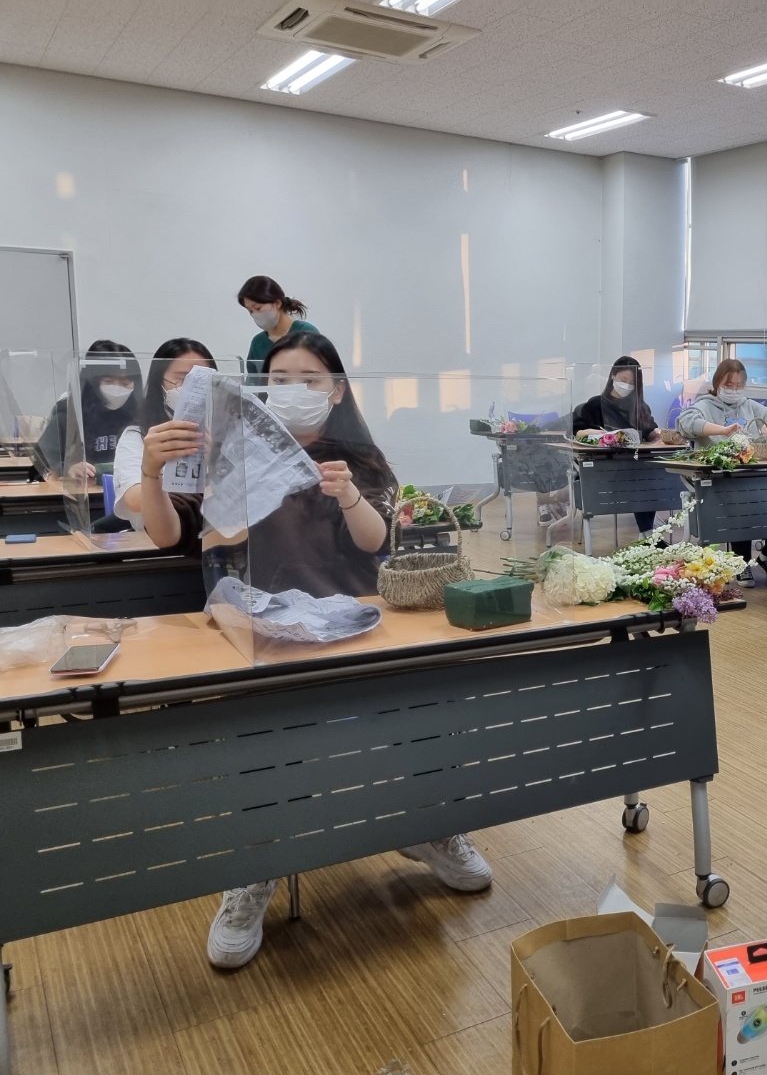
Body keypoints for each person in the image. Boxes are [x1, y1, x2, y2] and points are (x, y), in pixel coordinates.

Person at [138, 331, 495, 970]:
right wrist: (150, 473)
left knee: (415, 725)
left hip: (356, 623)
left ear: (336, 391)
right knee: (268, 755)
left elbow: (375, 541)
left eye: (310, 380)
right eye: (278, 380)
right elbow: (169, 535)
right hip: (261, 629)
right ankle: (255, 870)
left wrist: (349, 495)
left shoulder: (356, 457)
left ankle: (430, 825)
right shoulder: (229, 450)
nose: (293, 392)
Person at [676, 359, 767, 582]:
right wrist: (722, 430)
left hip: (753, 475)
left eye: (739, 386)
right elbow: (685, 422)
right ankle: (740, 562)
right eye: (729, 385)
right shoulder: (704, 405)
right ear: (717, 383)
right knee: (740, 497)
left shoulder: (750, 406)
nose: (734, 390)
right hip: (720, 477)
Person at [112, 338, 217, 533]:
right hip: (156, 542)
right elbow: (134, 499)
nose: (195, 388)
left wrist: (216, 467)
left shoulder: (225, 430)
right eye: (183, 379)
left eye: (204, 381)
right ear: (159, 382)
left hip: (216, 538)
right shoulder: (138, 435)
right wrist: (154, 471)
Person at [572, 355, 663, 536]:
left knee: (651, 477)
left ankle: (647, 533)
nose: (627, 385)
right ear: (613, 375)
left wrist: (658, 433)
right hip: (603, 469)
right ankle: (648, 534)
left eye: (632, 383)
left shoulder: (640, 408)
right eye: (623, 380)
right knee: (641, 479)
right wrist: (595, 434)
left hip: (633, 467)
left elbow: (650, 432)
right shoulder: (595, 405)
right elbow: (575, 431)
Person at [35, 341, 143, 479]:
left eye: (125, 383)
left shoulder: (140, 414)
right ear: (93, 381)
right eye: (108, 381)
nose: (117, 389)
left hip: (130, 486)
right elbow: (41, 458)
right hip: (86, 488)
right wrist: (68, 469)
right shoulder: (70, 414)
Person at [238, 275, 318, 380]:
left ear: (277, 303)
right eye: (250, 311)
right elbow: (253, 381)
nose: (255, 314)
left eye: (258, 308)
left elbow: (320, 376)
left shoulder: (306, 333)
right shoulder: (258, 342)